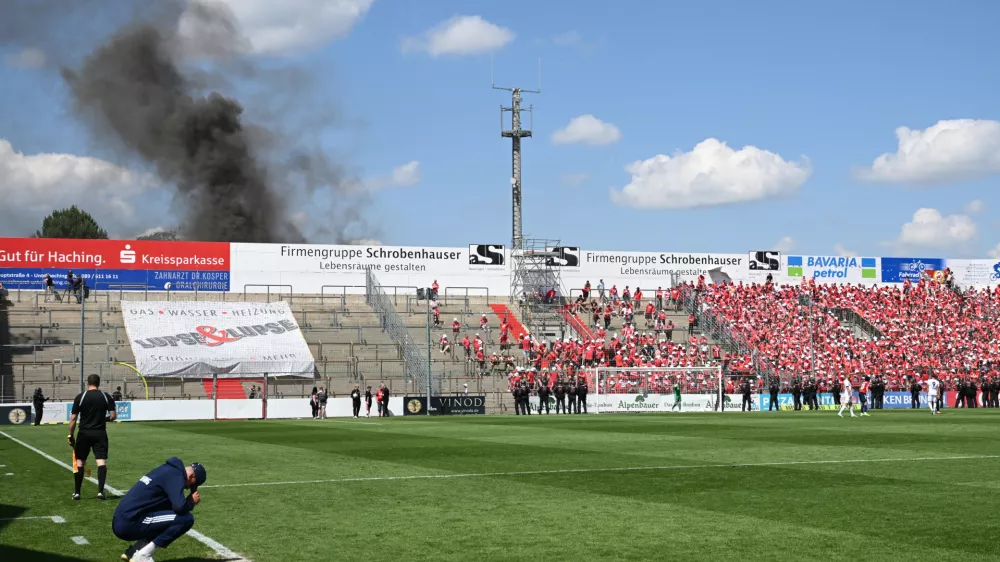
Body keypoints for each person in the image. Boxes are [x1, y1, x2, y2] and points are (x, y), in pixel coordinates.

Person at [112, 457, 206, 562]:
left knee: (167, 513)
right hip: (129, 522)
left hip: (122, 519)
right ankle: (143, 555)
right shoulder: (176, 476)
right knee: (186, 519)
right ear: (191, 476)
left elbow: (171, 507)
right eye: (192, 485)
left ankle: (134, 551)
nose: (188, 488)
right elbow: (180, 508)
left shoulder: (168, 469)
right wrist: (190, 503)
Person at [68, 374, 116, 500]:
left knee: (80, 462)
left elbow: (73, 418)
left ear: (87, 383)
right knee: (101, 461)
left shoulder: (81, 397)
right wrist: (101, 419)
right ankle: (100, 492)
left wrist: (70, 435)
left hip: (84, 433)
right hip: (100, 433)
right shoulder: (106, 397)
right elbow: (112, 416)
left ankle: (77, 493)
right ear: (99, 383)